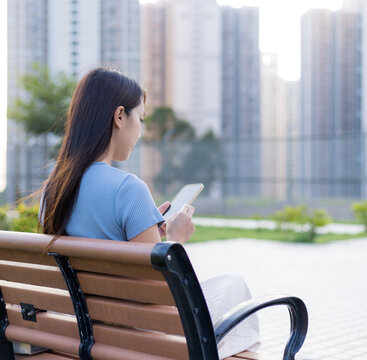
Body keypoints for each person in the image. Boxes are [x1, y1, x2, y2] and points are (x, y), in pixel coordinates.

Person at [39, 68, 259, 358]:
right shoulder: (128, 188)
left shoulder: (52, 191)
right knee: (235, 287)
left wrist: (147, 227)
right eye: (139, 119)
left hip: (84, 331)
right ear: (120, 117)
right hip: (138, 339)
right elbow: (153, 291)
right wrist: (174, 241)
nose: (139, 132)